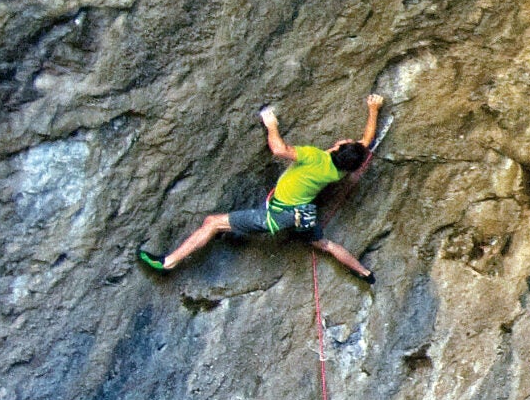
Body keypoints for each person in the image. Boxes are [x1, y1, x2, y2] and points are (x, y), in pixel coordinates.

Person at [137, 95, 383, 279]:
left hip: (278, 216)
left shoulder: (314, 156)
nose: (346, 139)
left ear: (338, 147)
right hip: (304, 215)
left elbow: (279, 150)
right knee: (325, 245)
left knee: (212, 222)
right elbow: (365, 141)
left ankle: (167, 263)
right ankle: (364, 272)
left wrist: (271, 124)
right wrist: (373, 109)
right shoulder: (339, 170)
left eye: (345, 142)